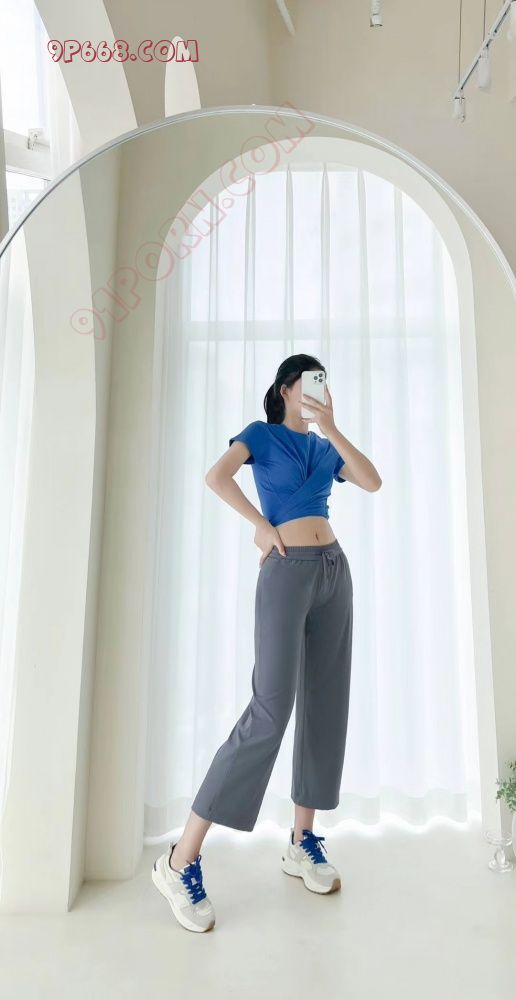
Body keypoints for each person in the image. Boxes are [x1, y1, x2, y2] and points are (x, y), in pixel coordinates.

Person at [152, 354, 382, 932]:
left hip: (333, 571)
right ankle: (180, 860)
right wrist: (260, 525)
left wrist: (332, 427)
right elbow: (217, 476)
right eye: (310, 382)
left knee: (326, 704)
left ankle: (302, 841)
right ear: (285, 389)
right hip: (286, 570)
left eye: (324, 383)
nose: (318, 390)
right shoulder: (261, 434)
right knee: (269, 711)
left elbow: (372, 480)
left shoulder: (325, 448)